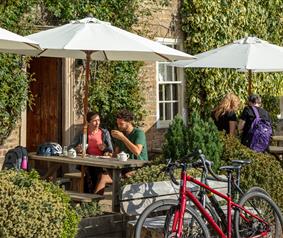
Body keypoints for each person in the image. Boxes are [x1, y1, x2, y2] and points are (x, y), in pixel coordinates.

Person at [69, 111, 113, 194]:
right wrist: (77, 149)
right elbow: (70, 147)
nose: (97, 123)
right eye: (94, 121)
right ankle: (90, 199)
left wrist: (104, 148)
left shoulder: (104, 132)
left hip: (101, 163)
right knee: (89, 172)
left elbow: (110, 150)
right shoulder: (83, 133)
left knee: (96, 174)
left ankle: (92, 199)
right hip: (87, 162)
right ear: (88, 122)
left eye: (99, 120)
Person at [111, 109, 148, 177]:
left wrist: (123, 138)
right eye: (118, 124)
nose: (119, 126)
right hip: (123, 167)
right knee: (103, 175)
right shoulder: (121, 134)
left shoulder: (139, 133)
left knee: (122, 176)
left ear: (129, 122)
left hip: (138, 168)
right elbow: (115, 155)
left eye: (121, 124)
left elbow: (137, 152)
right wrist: (108, 155)